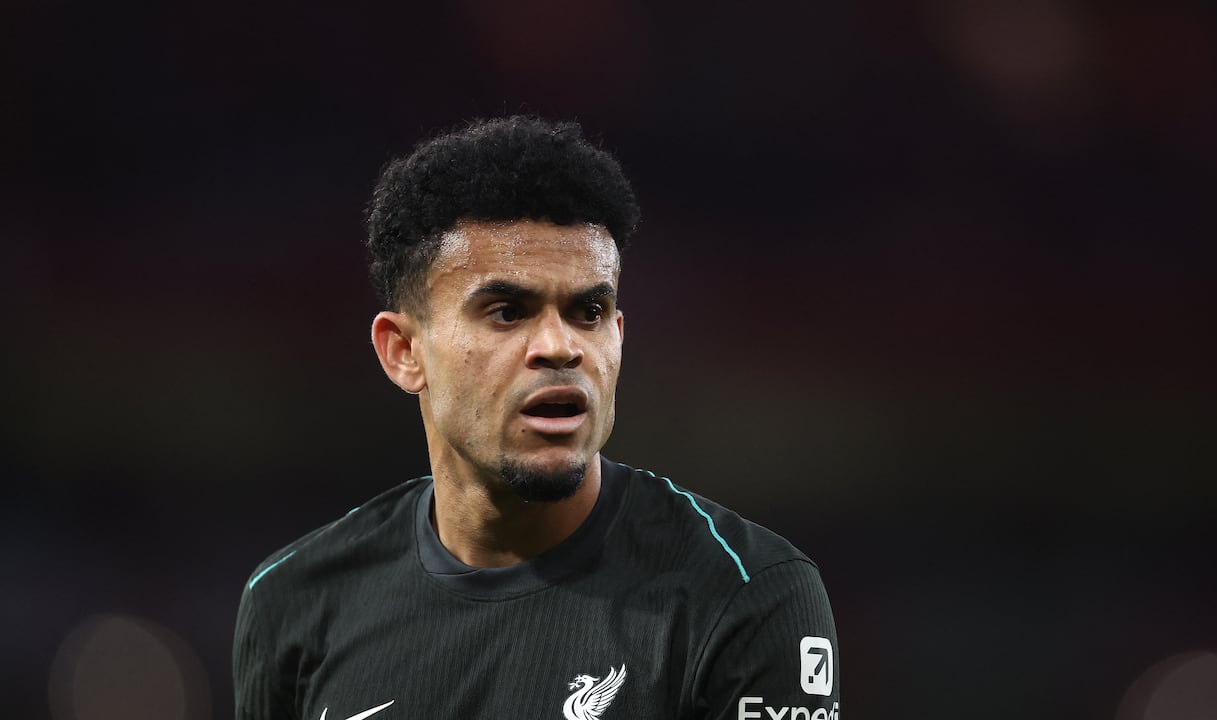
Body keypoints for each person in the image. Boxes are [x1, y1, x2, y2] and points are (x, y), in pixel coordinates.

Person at [233, 116, 841, 720]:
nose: (560, 346)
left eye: (588, 311)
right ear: (404, 352)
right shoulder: (292, 602)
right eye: (506, 311)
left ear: (618, 333)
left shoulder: (746, 594)